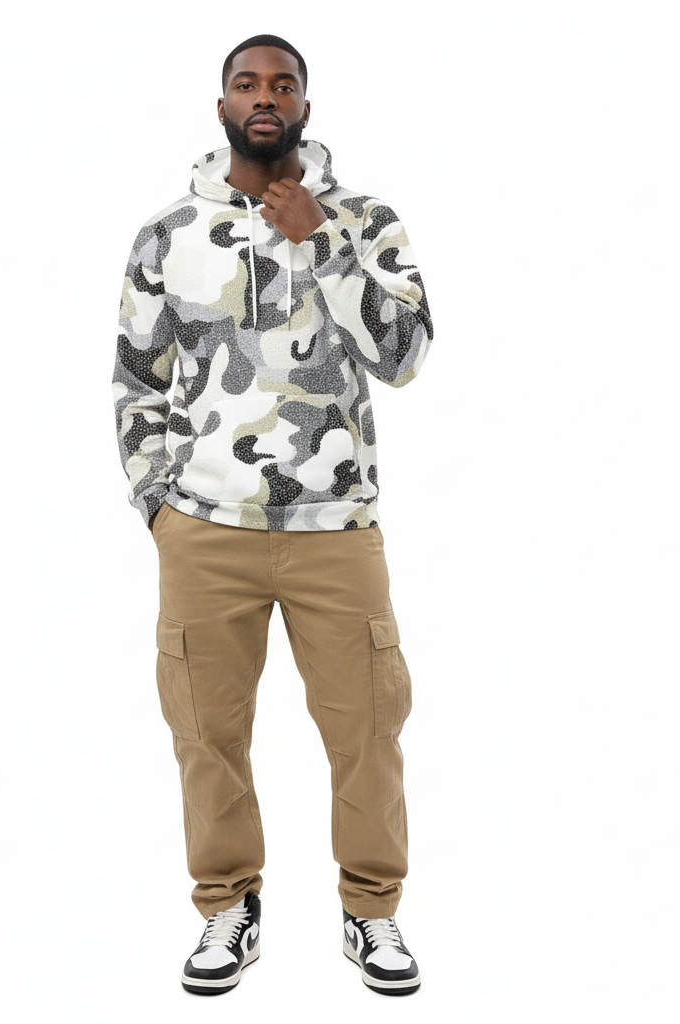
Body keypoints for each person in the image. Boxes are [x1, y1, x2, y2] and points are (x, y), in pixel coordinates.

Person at [114, 33, 433, 996]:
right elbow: (137, 381)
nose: (265, 97)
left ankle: (371, 912)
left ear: (304, 106)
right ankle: (227, 907)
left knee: (368, 729)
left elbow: (405, 357)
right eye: (247, 84)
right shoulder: (170, 233)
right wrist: (159, 505)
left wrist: (317, 238)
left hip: (338, 529)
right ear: (222, 107)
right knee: (205, 734)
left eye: (282, 85)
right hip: (205, 530)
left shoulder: (365, 220)